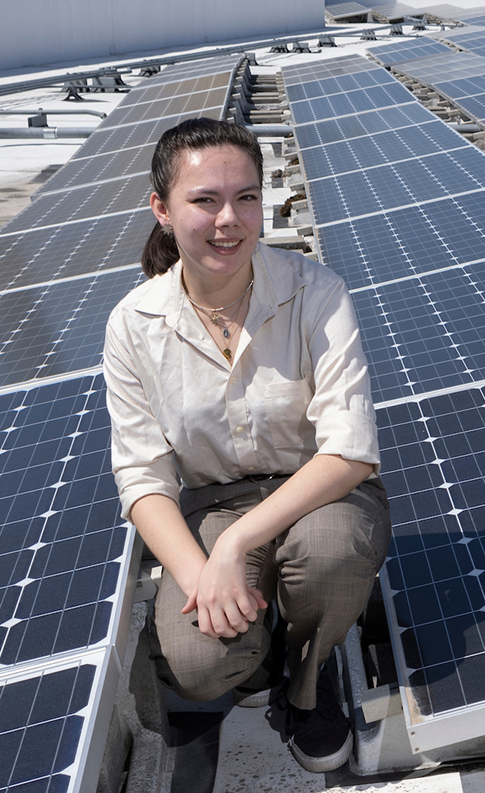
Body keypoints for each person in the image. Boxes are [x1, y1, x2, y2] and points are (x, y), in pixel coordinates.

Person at [104, 118, 390, 772]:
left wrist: (234, 545)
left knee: (329, 553)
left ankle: (306, 681)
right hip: (214, 500)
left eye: (247, 197)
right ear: (163, 210)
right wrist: (200, 571)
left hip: (322, 491)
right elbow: (143, 476)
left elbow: (349, 452)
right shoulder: (134, 325)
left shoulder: (316, 292)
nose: (229, 218)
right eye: (204, 200)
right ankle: (254, 661)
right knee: (201, 661)